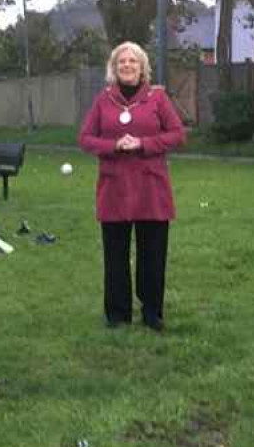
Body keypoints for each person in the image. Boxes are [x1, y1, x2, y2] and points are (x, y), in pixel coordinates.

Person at [78, 42, 186, 331]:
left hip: (151, 189)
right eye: (121, 62)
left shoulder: (157, 98)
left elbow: (177, 134)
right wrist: (113, 145)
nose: (127, 65)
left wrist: (144, 144)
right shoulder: (104, 100)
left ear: (142, 67)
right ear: (113, 68)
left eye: (133, 61)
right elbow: (86, 139)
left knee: (152, 254)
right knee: (115, 254)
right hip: (114, 189)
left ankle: (152, 311)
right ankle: (117, 313)